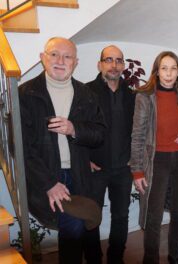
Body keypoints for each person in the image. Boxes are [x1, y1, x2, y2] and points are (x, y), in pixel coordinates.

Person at [18, 37, 106, 263]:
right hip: (47, 175)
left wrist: (74, 128)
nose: (60, 60)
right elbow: (21, 147)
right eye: (54, 54)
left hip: (79, 173)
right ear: (42, 58)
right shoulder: (25, 95)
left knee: (82, 228)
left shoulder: (86, 95)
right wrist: (48, 183)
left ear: (75, 62)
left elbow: (99, 134)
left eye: (67, 56)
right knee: (74, 226)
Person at [130, 51, 178, 264]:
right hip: (156, 161)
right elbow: (138, 135)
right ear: (156, 72)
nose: (168, 73)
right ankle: (151, 259)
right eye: (164, 68)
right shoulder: (145, 96)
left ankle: (175, 257)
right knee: (153, 214)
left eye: (173, 68)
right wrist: (137, 170)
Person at [84, 45, 135, 264]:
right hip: (95, 168)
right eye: (109, 60)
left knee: (121, 216)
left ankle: (116, 258)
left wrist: (136, 155)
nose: (114, 65)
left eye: (118, 60)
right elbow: (76, 128)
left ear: (123, 65)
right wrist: (84, 159)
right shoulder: (85, 92)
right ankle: (94, 259)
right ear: (100, 64)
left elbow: (139, 130)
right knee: (91, 217)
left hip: (124, 168)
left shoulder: (132, 96)